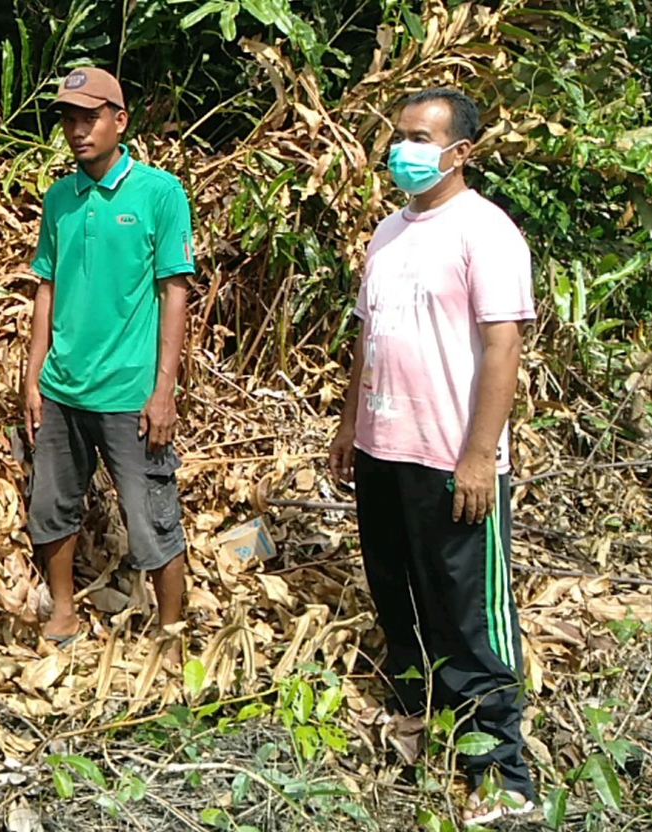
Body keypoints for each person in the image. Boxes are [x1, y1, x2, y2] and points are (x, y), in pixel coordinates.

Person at [328, 88, 537, 825]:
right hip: (384, 449)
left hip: (451, 457)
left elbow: (502, 347)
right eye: (398, 135)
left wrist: (479, 455)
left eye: (420, 137)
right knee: (399, 595)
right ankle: (424, 724)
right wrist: (349, 425)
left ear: (460, 152)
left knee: (469, 614)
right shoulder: (387, 232)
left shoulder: (485, 232)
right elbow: (369, 335)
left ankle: (501, 773)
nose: (402, 150)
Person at [25, 67, 194, 663]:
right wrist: (33, 376)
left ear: (119, 121)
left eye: (89, 118)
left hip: (129, 393)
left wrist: (163, 390)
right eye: (69, 119)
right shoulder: (59, 198)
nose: (78, 130)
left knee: (152, 516)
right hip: (63, 388)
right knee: (51, 505)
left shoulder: (159, 193)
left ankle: (170, 635)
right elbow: (46, 287)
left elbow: (175, 290)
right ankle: (63, 609)